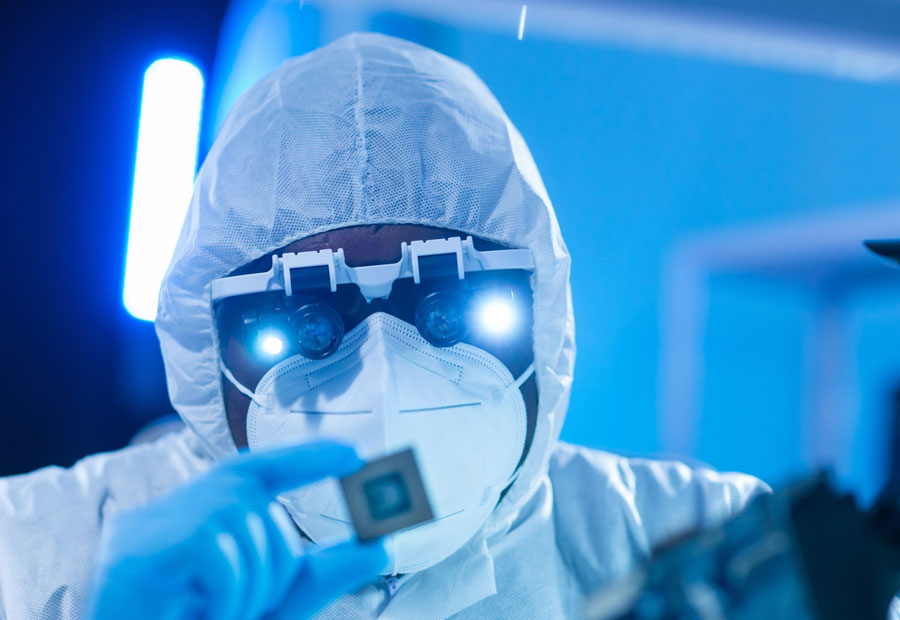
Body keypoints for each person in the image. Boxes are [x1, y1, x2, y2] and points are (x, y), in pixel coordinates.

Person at [0, 33, 768, 620]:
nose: (383, 380)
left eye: (450, 310)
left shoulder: (702, 539)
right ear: (206, 347)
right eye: (303, 326)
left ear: (545, 317)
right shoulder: (32, 555)